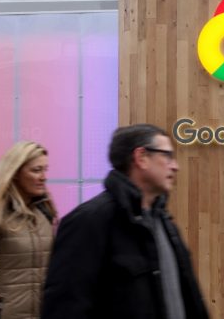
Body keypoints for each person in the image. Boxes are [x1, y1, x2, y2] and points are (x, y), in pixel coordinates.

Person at [41, 124, 209, 319]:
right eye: (167, 156)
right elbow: (65, 308)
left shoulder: (164, 223)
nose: (175, 166)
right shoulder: (88, 222)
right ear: (141, 158)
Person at [0, 141, 57, 319]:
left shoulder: (44, 213)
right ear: (15, 172)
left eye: (45, 170)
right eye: (36, 170)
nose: (43, 177)